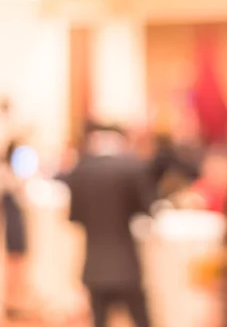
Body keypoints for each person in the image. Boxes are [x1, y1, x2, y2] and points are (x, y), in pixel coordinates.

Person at [59, 125, 155, 327]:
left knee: (99, 320)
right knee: (141, 319)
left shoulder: (81, 170)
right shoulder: (132, 167)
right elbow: (147, 209)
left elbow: (75, 216)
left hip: (94, 264)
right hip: (126, 263)